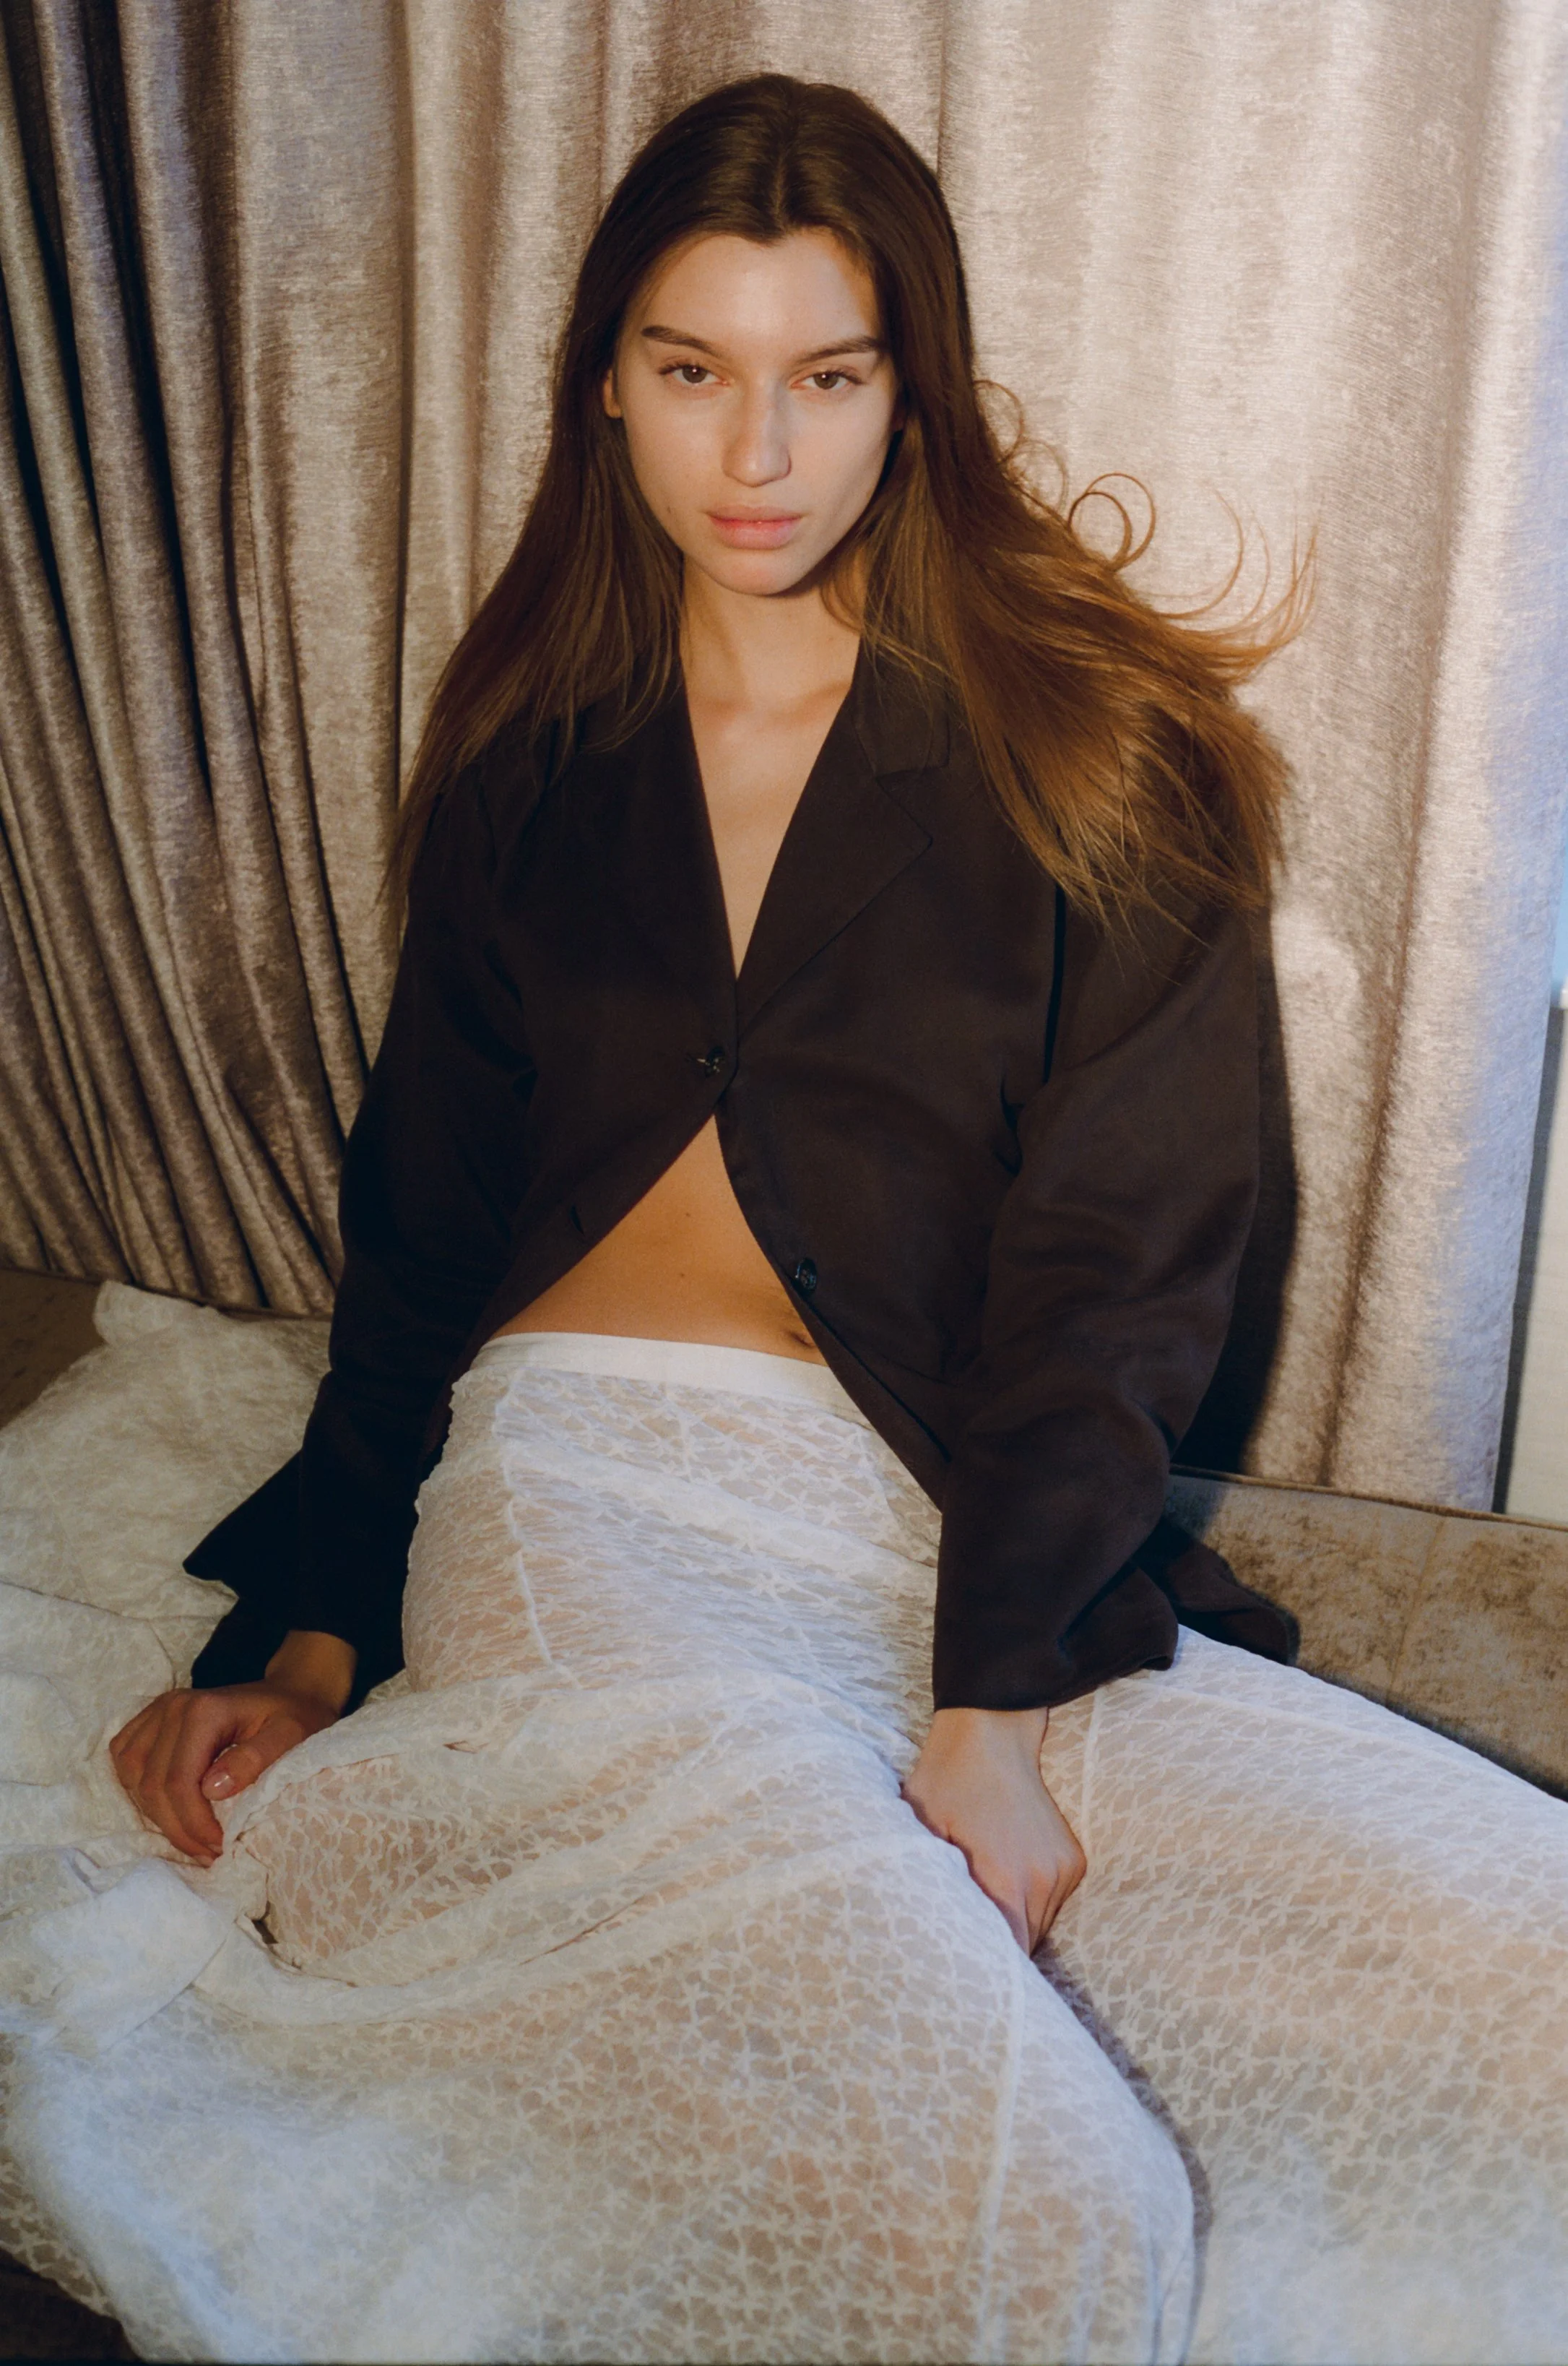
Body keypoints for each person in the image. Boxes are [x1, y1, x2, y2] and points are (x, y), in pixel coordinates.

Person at [90, 73, 1568, 2366]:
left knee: (1526, 1964)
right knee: (1027, 2210)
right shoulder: (523, 768)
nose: (755, 452)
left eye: (827, 375)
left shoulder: (1098, 752)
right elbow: (422, 1228)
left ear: (914, 389)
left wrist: (990, 1695)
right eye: (694, 372)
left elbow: (1125, 1262)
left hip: (967, 1533)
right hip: (585, 1510)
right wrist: (306, 1637)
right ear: (608, 384)